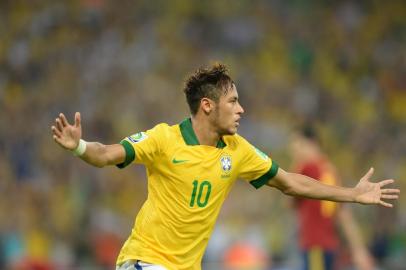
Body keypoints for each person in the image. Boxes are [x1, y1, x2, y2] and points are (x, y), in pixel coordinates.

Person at [51, 63, 399, 270]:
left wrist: (353, 194)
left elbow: (292, 182)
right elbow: (106, 154)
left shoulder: (238, 151)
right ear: (207, 106)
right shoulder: (163, 139)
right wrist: (79, 146)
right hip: (145, 261)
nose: (241, 109)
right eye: (232, 101)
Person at [289, 125, 376, 270]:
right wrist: (359, 249)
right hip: (329, 245)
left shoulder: (306, 168)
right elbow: (343, 213)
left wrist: (295, 166)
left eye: (297, 143)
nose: (293, 149)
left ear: (311, 143)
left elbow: (290, 201)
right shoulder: (330, 170)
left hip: (314, 245)